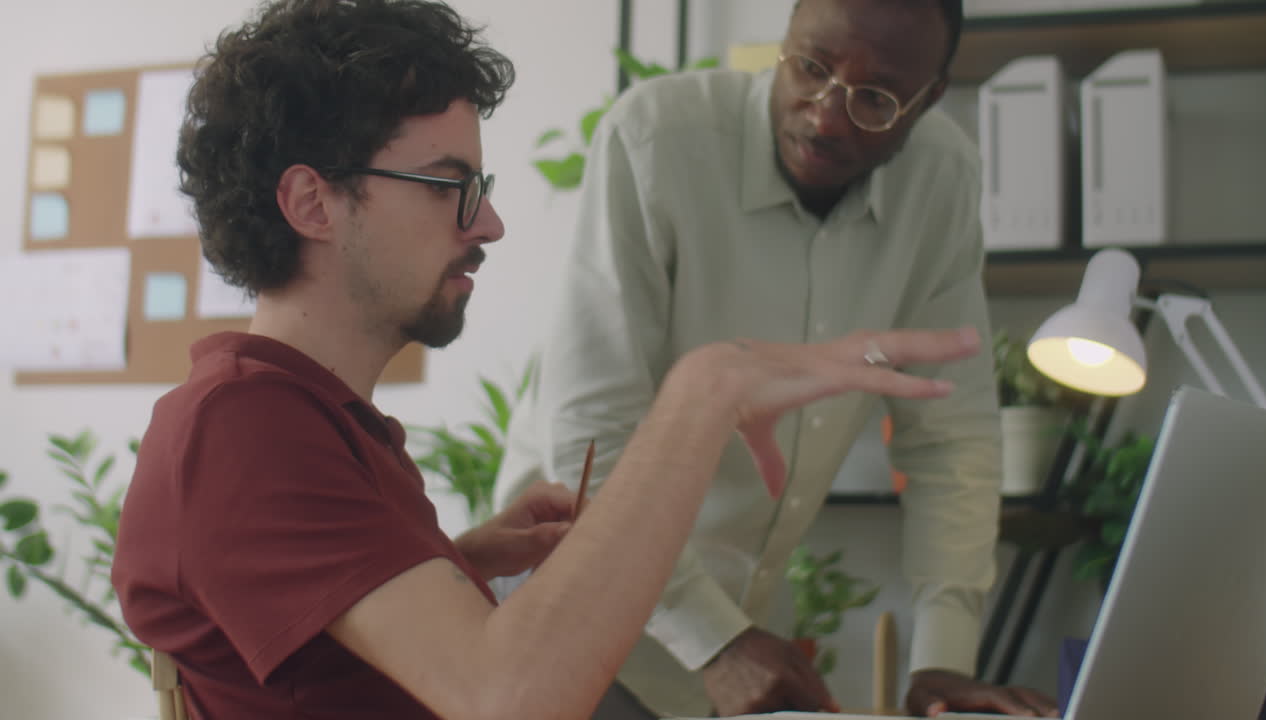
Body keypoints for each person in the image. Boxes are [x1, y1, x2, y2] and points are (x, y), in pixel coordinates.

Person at [109, 0, 983, 718]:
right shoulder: (239, 430)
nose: (487, 225)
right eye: (453, 187)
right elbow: (509, 700)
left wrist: (457, 561)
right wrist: (703, 392)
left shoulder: (323, 426)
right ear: (312, 202)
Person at [493, 0, 1060, 717]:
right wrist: (716, 643)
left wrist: (943, 661)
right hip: (569, 597)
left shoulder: (940, 180)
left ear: (929, 99)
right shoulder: (654, 140)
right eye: (810, 68)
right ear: (782, 42)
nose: (826, 115)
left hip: (736, 615)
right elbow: (589, 438)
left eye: (877, 98)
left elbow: (951, 439)